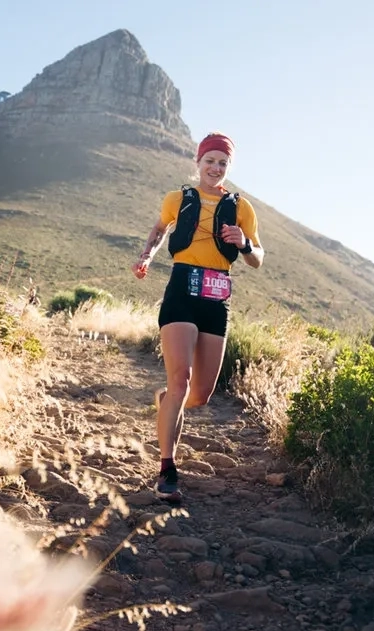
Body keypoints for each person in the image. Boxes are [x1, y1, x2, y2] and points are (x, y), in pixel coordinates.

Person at [131, 132, 264, 503]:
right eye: (210, 161)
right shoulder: (179, 199)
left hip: (216, 297)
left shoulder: (242, 208)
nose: (216, 168)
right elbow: (159, 229)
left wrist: (244, 243)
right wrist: (146, 256)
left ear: (228, 167)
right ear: (198, 162)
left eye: (223, 163)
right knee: (180, 381)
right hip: (181, 292)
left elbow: (257, 259)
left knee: (200, 394)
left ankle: (167, 402)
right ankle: (167, 470)